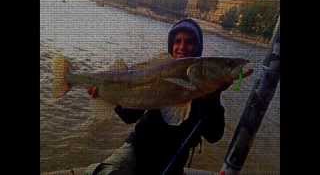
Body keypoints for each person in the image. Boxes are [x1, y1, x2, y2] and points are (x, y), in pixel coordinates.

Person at [86, 19, 230, 175]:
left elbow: (214, 136)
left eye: (190, 42)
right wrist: (104, 95)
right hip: (138, 149)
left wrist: (213, 97)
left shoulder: (209, 89)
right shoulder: (157, 73)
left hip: (174, 162)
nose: (182, 47)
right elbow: (129, 116)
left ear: (198, 48)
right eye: (177, 41)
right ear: (171, 45)